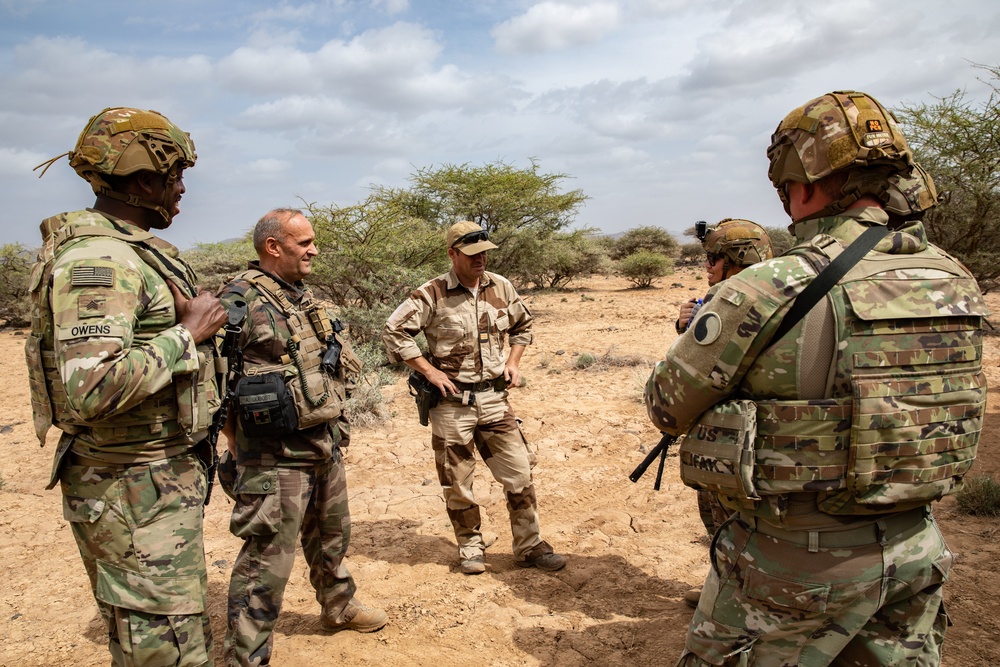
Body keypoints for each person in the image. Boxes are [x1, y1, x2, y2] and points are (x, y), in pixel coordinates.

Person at [645, 90, 988, 665]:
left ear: (799, 185)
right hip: (916, 546)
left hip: (796, 566)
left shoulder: (770, 285)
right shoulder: (953, 278)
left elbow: (666, 406)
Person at [25, 107, 227, 666]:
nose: (182, 191)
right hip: (130, 489)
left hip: (148, 486)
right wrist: (188, 335)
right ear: (143, 181)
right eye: (175, 178)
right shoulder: (100, 260)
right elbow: (91, 386)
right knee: (166, 652)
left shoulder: (130, 250)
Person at [219, 208, 387, 667]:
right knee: (267, 559)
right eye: (304, 242)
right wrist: (234, 441)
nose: (314, 250)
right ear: (274, 246)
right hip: (273, 455)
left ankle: (338, 605)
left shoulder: (300, 297)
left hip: (322, 441)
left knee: (333, 534)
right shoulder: (239, 300)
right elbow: (217, 381)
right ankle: (246, 655)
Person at [382, 221, 566, 575]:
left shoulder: (501, 286)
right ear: (452, 254)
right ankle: (470, 547)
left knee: (520, 473)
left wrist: (513, 362)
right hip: (452, 406)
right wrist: (429, 371)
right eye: (471, 254)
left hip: (496, 400)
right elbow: (394, 331)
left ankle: (529, 547)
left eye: (484, 252)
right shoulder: (432, 293)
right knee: (457, 482)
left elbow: (523, 326)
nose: (480, 259)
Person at [673, 219, 773, 609]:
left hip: (746, 436)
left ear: (737, 259)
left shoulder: (743, 301)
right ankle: (725, 586)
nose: (707, 267)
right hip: (732, 434)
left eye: (714, 259)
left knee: (737, 523)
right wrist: (686, 326)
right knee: (719, 519)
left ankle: (739, 598)